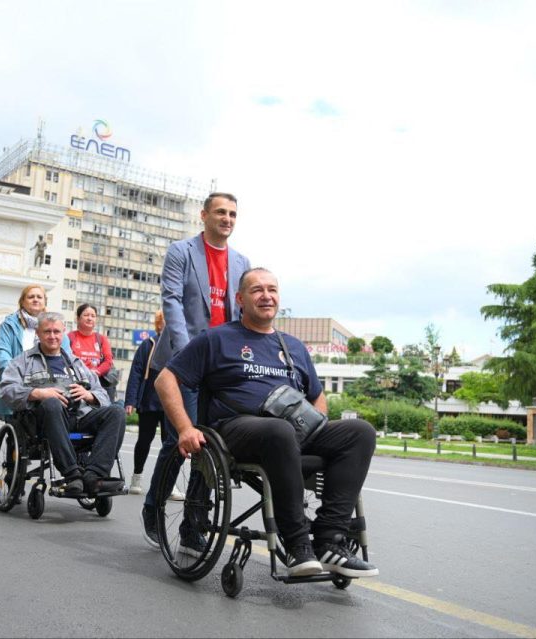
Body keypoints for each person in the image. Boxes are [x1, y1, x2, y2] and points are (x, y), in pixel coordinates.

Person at [155, 268, 379, 578]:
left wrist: (319, 425)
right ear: (240, 299)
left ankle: (330, 540)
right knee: (279, 430)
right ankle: (298, 544)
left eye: (272, 289)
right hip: (236, 429)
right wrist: (184, 428)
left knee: (360, 432)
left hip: (292, 432)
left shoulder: (294, 347)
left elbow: (317, 396)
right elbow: (166, 380)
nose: (266, 295)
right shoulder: (217, 339)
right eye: (257, 290)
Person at [141, 192, 252, 546]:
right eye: (221, 212)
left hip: (222, 364)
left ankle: (193, 524)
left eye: (233, 213)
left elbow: (241, 310)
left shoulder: (241, 261)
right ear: (204, 215)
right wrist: (189, 349)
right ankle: (153, 507)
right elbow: (171, 300)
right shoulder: (182, 252)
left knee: (213, 442)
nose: (228, 218)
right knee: (180, 438)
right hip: (184, 359)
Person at [0, 312, 126, 495]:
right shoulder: (23, 361)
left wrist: (89, 395)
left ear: (63, 333)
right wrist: (37, 393)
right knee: (51, 403)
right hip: (43, 421)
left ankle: (94, 476)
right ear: (38, 333)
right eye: (47, 332)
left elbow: (103, 395)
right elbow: (6, 390)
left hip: (78, 417)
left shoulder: (76, 364)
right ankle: (72, 475)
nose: (52, 336)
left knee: (117, 412)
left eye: (57, 332)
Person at [0, 284, 73, 420]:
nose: (35, 299)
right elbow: (2, 352)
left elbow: (68, 359)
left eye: (39, 297)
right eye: (31, 297)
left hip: (51, 384)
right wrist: (15, 374)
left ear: (45, 302)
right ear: (22, 302)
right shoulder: (9, 325)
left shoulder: (56, 327)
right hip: (19, 383)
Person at [124, 311, 168, 494]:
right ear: (159, 323)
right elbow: (136, 372)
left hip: (171, 404)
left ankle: (168, 483)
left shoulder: (182, 344)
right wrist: (131, 401)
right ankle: (137, 476)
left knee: (170, 444)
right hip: (149, 400)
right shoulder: (149, 344)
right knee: (144, 441)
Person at [67, 303, 117, 402]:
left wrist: (94, 373)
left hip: (97, 382)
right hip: (76, 382)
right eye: (86, 315)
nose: (89, 318)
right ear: (78, 318)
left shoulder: (101, 339)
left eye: (93, 316)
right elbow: (66, 360)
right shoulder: (70, 337)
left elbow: (108, 361)